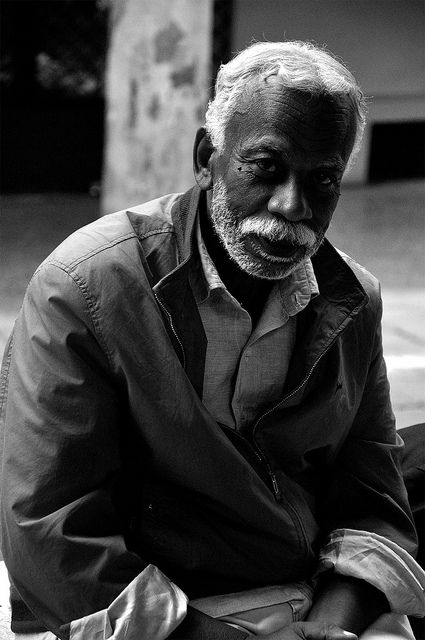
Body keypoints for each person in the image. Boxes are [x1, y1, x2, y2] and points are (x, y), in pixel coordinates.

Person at [0, 41, 424, 640]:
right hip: (157, 611)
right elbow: (48, 528)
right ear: (208, 157)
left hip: (308, 594)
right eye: (266, 168)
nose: (291, 207)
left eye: (322, 180)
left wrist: (334, 624)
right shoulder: (84, 288)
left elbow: (373, 491)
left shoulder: (353, 299)